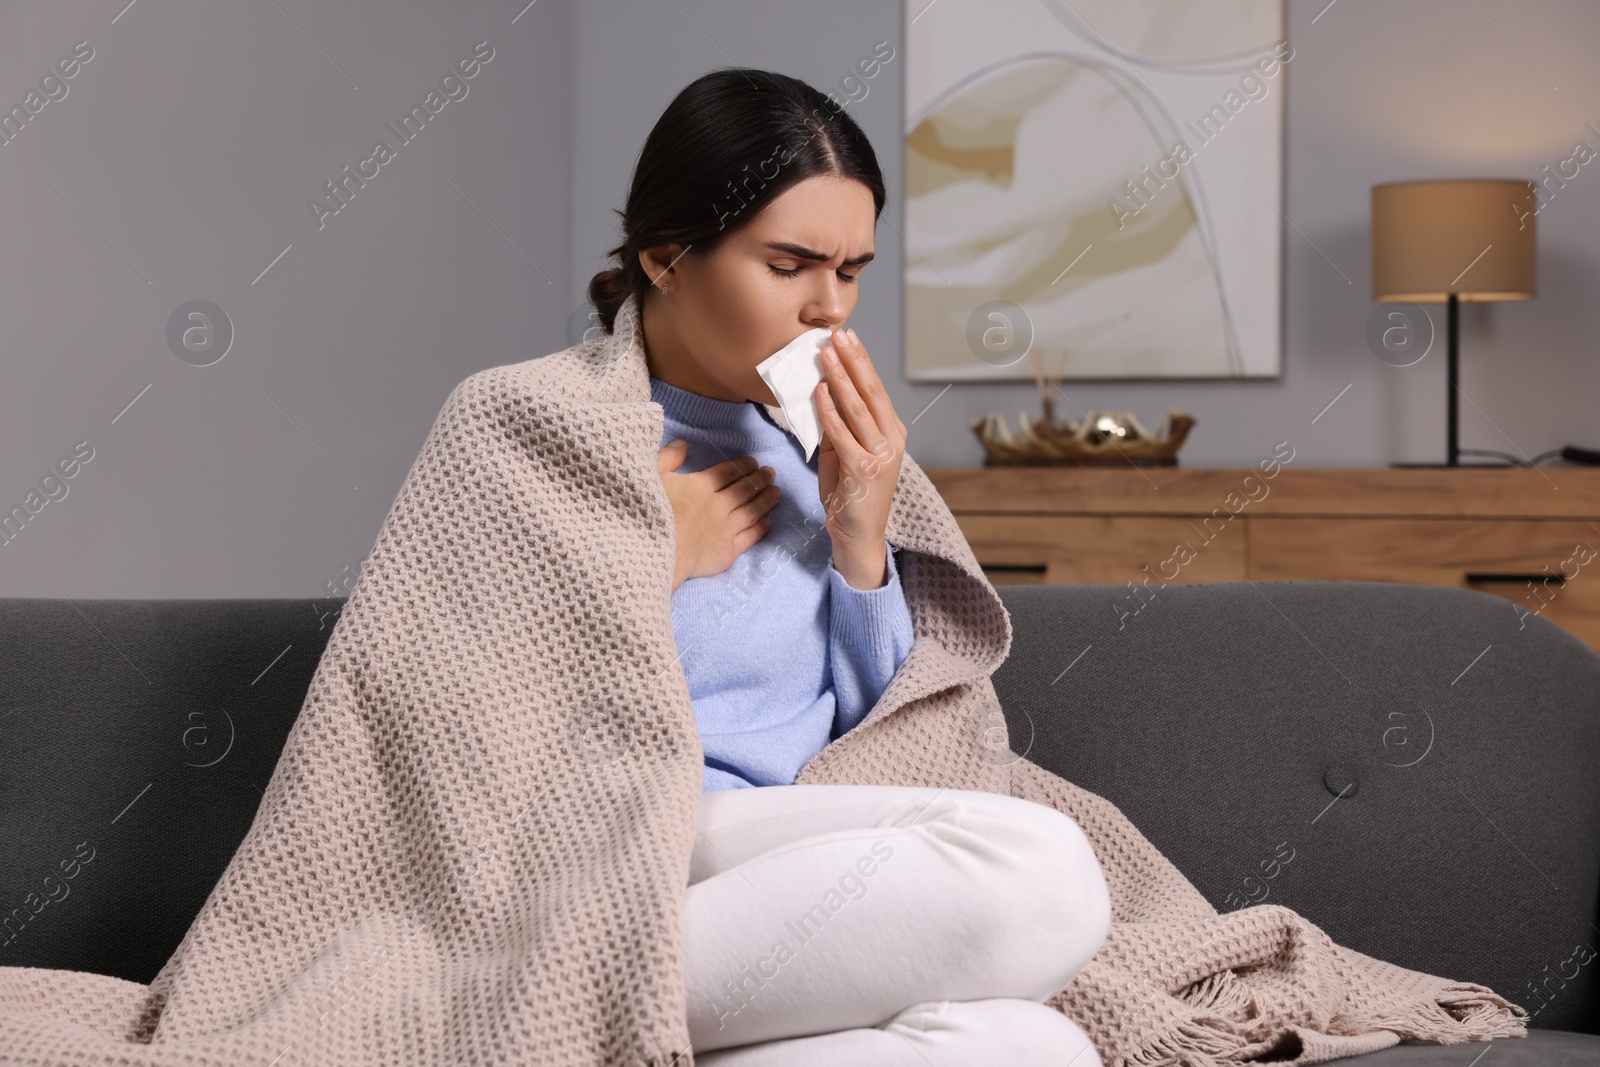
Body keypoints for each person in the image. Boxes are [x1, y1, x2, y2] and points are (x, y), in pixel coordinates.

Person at [584, 67, 1111, 1066]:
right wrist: (653, 556)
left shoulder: (824, 451)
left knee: (1038, 1045)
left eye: (851, 269)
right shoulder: (531, 426)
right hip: (631, 863)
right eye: (789, 266)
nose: (829, 309)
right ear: (665, 257)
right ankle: (581, 998)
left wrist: (860, 539)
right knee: (1040, 869)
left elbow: (907, 736)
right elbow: (467, 718)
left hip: (806, 851)